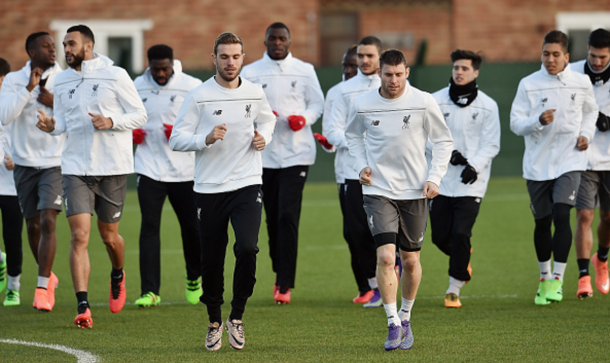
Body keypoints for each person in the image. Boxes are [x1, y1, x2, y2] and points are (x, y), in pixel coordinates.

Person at [36, 24, 147, 328]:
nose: (66, 50)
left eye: (71, 44)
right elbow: (63, 123)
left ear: (88, 45)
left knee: (109, 238)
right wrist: (51, 126)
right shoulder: (61, 81)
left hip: (112, 168)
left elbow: (141, 114)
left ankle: (117, 273)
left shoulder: (116, 74)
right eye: (64, 44)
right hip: (74, 169)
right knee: (79, 236)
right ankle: (83, 305)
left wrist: (111, 120)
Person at [170, 32, 276, 351]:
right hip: (208, 188)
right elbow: (176, 139)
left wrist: (264, 138)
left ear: (243, 58)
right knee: (212, 258)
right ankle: (214, 320)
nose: (231, 62)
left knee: (247, 248)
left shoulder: (255, 92)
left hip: (247, 183)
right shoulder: (198, 96)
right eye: (224, 56)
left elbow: (269, 120)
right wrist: (205, 138)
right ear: (213, 58)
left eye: (236, 56)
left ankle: (237, 316)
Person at [345, 49, 453, 350]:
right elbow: (352, 137)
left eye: (398, 74)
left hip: (415, 191)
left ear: (406, 72)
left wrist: (435, 178)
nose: (393, 80)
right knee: (386, 257)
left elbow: (443, 140)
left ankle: (406, 316)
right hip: (378, 189)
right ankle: (392, 322)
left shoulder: (423, 101)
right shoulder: (363, 104)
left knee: (410, 259)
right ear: (379, 73)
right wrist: (360, 166)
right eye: (388, 74)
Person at [510, 30, 597, 305]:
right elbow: (515, 123)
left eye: (556, 54)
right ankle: (544, 277)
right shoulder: (528, 84)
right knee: (542, 222)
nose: (550, 59)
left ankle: (558, 280)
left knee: (562, 215)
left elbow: (591, 111)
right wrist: (536, 120)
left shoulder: (581, 82)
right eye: (546, 54)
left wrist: (587, 135)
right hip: (537, 165)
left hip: (570, 160)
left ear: (567, 57)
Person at [241, 22, 324, 304]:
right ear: (265, 41)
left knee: (288, 216)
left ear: (289, 41)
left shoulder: (304, 70)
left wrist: (305, 119)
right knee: (272, 218)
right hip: (263, 155)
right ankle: (280, 270)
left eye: (282, 38)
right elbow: (243, 108)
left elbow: (317, 103)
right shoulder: (251, 72)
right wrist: (260, 116)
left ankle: (285, 282)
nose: (277, 42)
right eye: (272, 38)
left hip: (296, 154)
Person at [132, 44, 203, 308]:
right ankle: (150, 291)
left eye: (165, 68)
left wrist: (181, 133)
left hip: (185, 171)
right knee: (149, 228)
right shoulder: (135, 86)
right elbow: (126, 118)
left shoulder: (192, 86)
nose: (161, 73)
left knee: (192, 229)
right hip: (149, 168)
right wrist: (132, 133)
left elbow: (206, 125)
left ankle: (194, 278)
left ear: (173, 63)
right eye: (155, 69)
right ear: (148, 65)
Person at [430, 50, 501, 308]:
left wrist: (475, 165)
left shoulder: (488, 105)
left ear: (476, 72)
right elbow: (426, 137)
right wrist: (448, 152)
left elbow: (492, 144)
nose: (459, 72)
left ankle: (454, 288)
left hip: (472, 182)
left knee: (461, 232)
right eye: (456, 67)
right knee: (439, 237)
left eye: (465, 68)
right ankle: (463, 257)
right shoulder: (435, 101)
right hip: (440, 179)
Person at [0, 32, 64, 312]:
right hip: (24, 163)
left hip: (55, 161)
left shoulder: (65, 79)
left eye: (54, 46)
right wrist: (29, 89)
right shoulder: (14, 80)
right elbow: (4, 116)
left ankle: (40, 287)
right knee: (33, 225)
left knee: (49, 220)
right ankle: (47, 274)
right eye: (46, 46)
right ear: (31, 51)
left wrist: (54, 103)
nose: (53, 50)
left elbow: (76, 116)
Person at [325, 37, 384, 307]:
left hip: (387, 172)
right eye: (361, 56)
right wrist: (359, 142)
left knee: (386, 229)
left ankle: (393, 274)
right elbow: (332, 131)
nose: (364, 61)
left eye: (370, 56)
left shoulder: (392, 86)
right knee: (357, 231)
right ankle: (374, 286)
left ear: (380, 57)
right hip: (352, 172)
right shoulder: (344, 90)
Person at [572, 28, 610, 298]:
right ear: (587, 50)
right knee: (585, 215)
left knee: (609, 218)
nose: (597, 61)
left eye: (603, 57)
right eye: (593, 55)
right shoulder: (572, 73)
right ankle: (583, 276)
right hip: (582, 158)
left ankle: (602, 260)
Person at [0, 58, 24, 307]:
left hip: (11, 184)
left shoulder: (16, 102)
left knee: (12, 237)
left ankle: (13, 288)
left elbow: (27, 137)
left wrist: (16, 159)